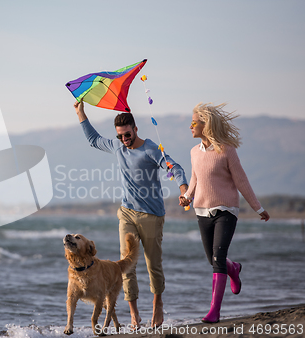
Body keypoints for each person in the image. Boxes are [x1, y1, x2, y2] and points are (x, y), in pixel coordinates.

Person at [74, 101, 189, 328]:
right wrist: (81, 113)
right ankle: (134, 314)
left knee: (152, 264)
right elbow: (93, 140)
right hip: (126, 213)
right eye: (120, 136)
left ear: (135, 129)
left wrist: (184, 188)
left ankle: (157, 305)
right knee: (125, 264)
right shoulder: (118, 147)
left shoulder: (151, 149)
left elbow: (174, 167)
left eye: (127, 135)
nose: (124, 140)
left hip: (151, 215)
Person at [179, 102, 270, 324]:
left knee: (218, 257)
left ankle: (214, 311)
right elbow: (195, 179)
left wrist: (258, 207)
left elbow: (241, 180)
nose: (190, 126)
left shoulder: (227, 150)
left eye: (193, 122)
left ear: (205, 124)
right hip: (202, 210)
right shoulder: (193, 152)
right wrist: (187, 197)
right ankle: (234, 269)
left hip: (226, 210)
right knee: (213, 259)